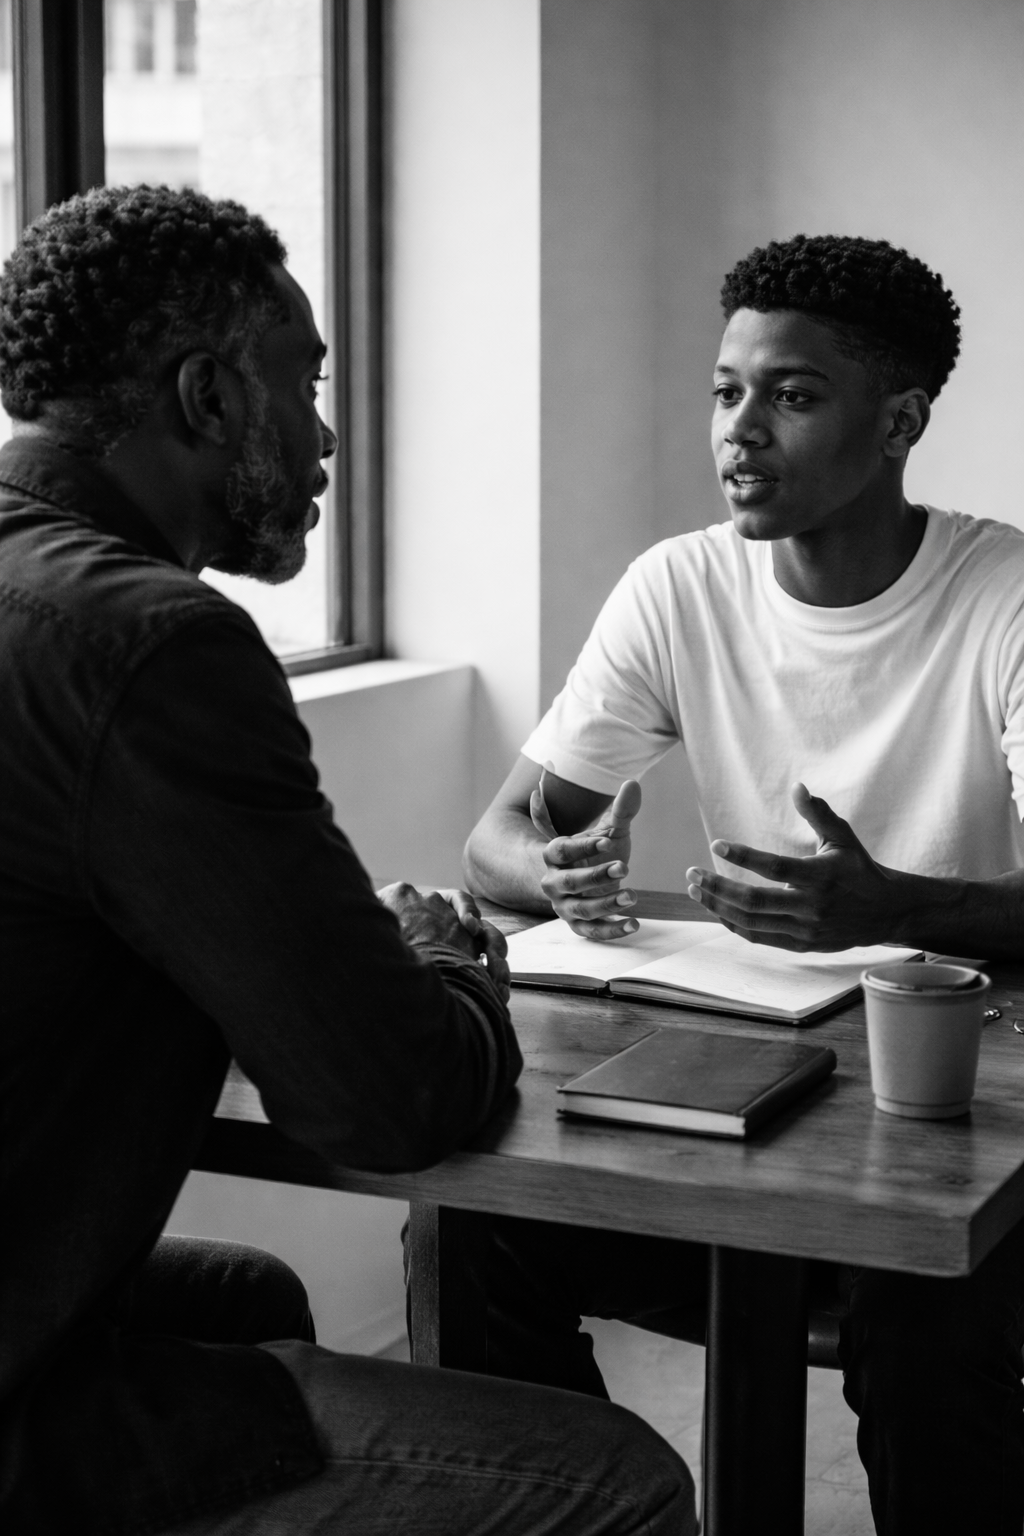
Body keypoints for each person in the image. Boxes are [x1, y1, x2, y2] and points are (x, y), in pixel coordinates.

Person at [0, 184, 696, 1536]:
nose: (323, 436)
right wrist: (437, 952)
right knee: (615, 1482)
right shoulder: (150, 645)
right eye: (303, 385)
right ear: (209, 395)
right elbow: (394, 1105)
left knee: (246, 1305)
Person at [460, 233, 1024, 1534]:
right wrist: (552, 868)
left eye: (793, 394)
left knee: (922, 1328)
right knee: (482, 1236)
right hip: (751, 1073)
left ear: (902, 420)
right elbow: (495, 841)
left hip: (957, 1101)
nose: (742, 431)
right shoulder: (679, 583)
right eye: (725, 392)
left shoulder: (1000, 595)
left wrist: (895, 907)